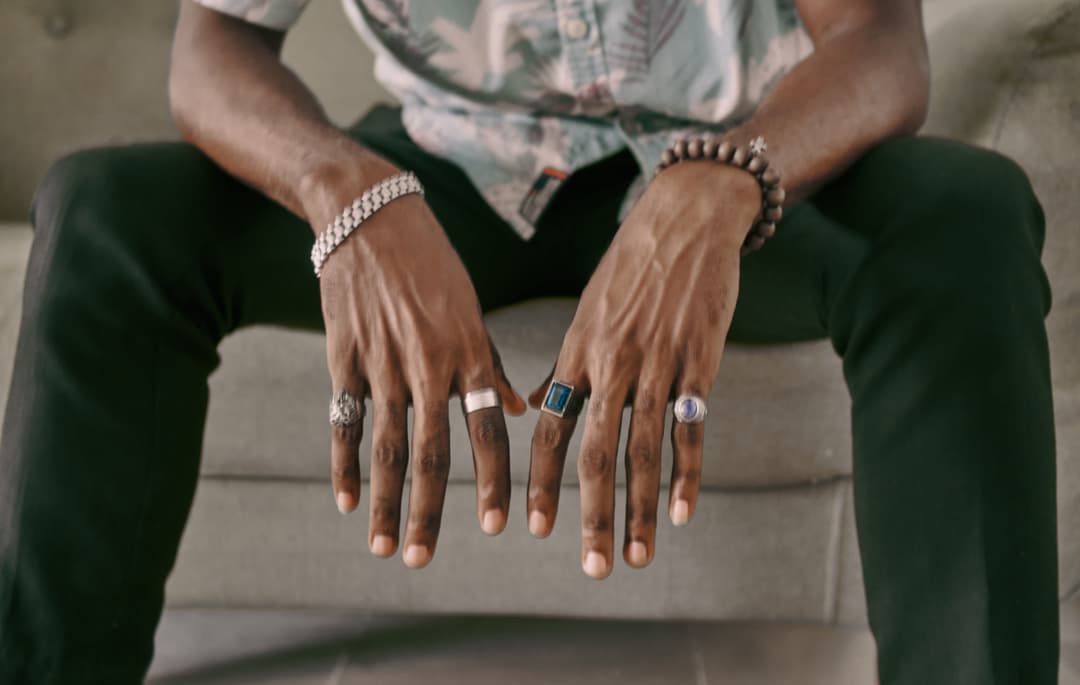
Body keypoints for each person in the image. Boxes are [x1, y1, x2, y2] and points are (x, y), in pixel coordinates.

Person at [0, 0, 1059, 682]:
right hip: (444, 164)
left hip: (732, 161)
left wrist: (730, 177)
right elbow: (213, 43)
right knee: (104, 209)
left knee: (964, 215)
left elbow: (880, 38)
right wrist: (342, 190)